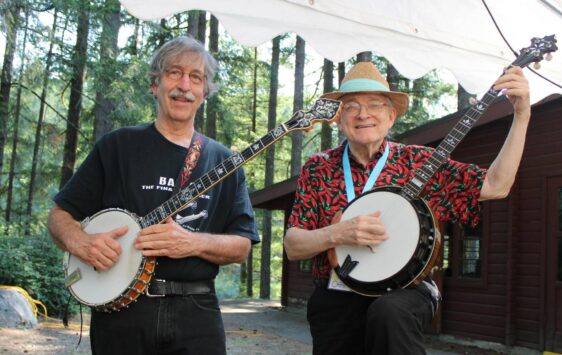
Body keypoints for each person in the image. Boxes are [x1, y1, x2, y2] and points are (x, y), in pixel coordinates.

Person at [284, 61, 530, 354]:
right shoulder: (319, 168)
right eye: (351, 106)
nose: (363, 114)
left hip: (405, 291)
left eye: (375, 104)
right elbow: (293, 246)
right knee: (334, 309)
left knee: (389, 313)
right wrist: (337, 233)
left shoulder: (420, 163)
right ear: (339, 118)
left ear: (390, 116)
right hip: (338, 295)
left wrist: (522, 114)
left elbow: (495, 186)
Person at [48, 36, 259, 354]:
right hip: (121, 316)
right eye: (174, 72)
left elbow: (241, 245)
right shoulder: (117, 147)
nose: (184, 85)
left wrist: (190, 243)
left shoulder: (225, 164)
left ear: (204, 93)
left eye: (196, 77)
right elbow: (60, 216)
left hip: (197, 314)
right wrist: (81, 242)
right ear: (155, 84)